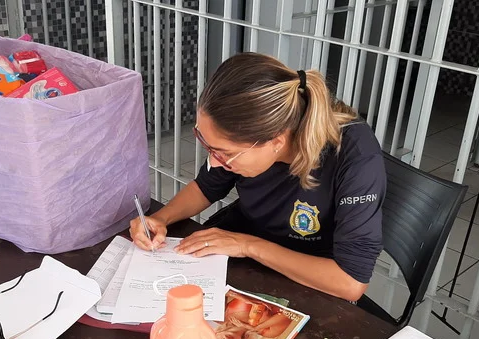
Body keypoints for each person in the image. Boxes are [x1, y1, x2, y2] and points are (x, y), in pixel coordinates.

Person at [130, 52, 386, 302]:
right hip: (244, 253)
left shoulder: (355, 157)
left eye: (225, 153)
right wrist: (161, 218)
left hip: (307, 273)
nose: (215, 161)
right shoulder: (248, 133)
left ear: (276, 142)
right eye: (207, 145)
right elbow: (206, 187)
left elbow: (350, 282)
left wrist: (248, 246)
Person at [214, 293, 293, 339]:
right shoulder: (268, 333)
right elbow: (288, 316)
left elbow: (220, 289)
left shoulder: (219, 317)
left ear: (216, 334)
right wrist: (257, 327)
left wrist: (240, 296)